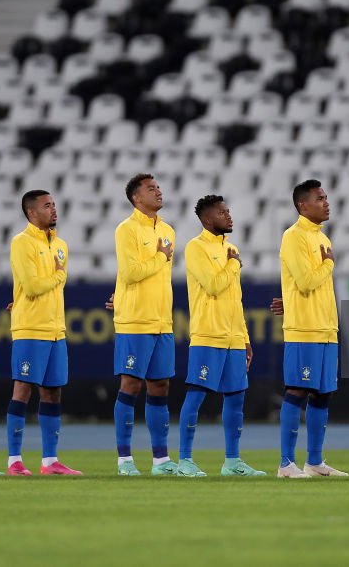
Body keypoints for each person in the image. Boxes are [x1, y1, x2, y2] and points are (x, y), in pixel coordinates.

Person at [176, 195, 265, 477]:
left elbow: (235, 298)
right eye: (222, 212)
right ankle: (185, 461)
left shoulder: (231, 249)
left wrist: (245, 336)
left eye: (228, 211)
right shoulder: (196, 247)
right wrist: (233, 265)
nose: (229, 216)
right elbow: (214, 285)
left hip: (234, 337)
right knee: (197, 394)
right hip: (208, 334)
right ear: (206, 219)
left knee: (236, 398)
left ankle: (232, 462)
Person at [5, 190, 81, 476]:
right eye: (47, 206)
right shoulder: (21, 242)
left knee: (52, 392)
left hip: (55, 329)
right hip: (30, 328)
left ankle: (50, 461)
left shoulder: (60, 244)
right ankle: (14, 461)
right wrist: (60, 275)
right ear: (32, 213)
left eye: (54, 204)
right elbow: (34, 286)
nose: (53, 209)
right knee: (22, 390)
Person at [276, 179, 347, 478]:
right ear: (303, 205)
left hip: (326, 328)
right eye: (320, 198)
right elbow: (305, 281)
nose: (326, 202)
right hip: (304, 328)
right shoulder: (293, 237)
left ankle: (315, 462)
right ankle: (285, 464)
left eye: (326, 197)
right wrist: (329, 264)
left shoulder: (323, 238)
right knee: (298, 390)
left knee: (322, 394)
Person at [112, 174, 177, 476]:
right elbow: (130, 273)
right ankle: (125, 459)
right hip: (135, 320)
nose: (158, 191)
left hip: (162, 320)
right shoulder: (127, 230)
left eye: (158, 187)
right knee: (131, 384)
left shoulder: (167, 230)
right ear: (137, 198)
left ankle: (161, 461)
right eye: (151, 189)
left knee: (160, 386)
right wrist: (160, 257)